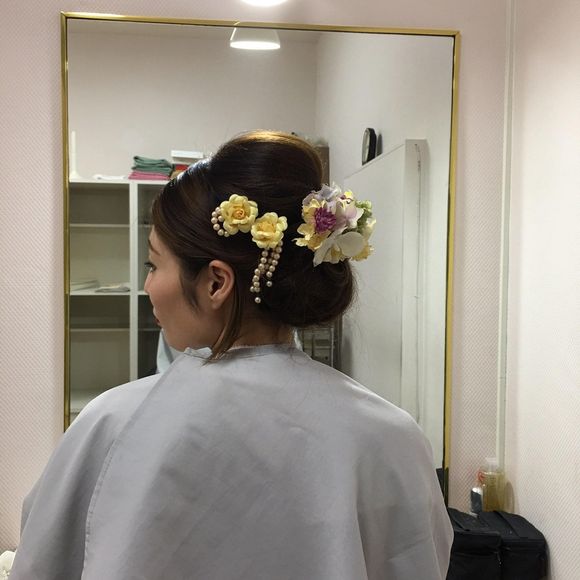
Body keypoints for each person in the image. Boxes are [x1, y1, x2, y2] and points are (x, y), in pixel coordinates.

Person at [11, 131, 453, 579]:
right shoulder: (391, 437)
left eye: (153, 265)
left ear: (216, 283)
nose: (148, 286)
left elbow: (41, 565)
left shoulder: (113, 424)